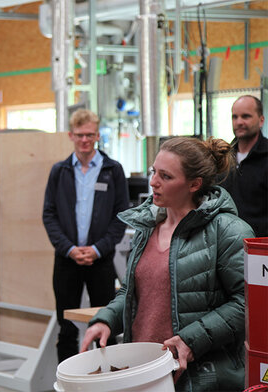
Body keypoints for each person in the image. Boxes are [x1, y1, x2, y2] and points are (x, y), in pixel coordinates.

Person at [81, 136, 254, 391]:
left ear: (194, 184)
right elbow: (131, 292)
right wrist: (105, 320)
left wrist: (191, 340)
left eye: (166, 176)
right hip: (144, 371)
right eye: (154, 172)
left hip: (198, 377)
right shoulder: (146, 229)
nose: (153, 182)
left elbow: (247, 303)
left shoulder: (228, 231)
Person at [42, 108, 129, 362]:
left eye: (90, 135)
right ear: (71, 135)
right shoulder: (59, 172)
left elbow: (121, 216)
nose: (84, 140)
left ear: (98, 135)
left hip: (101, 261)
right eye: (79, 135)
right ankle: (68, 382)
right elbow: (49, 215)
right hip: (66, 260)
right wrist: (69, 248)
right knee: (66, 327)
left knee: (107, 325)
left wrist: (98, 248)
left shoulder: (112, 170)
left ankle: (108, 383)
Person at [222, 95, 267, 237]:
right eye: (235, 117)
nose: (239, 122)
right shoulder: (223, 157)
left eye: (245, 116)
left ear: (261, 120)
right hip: (226, 244)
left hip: (259, 247)